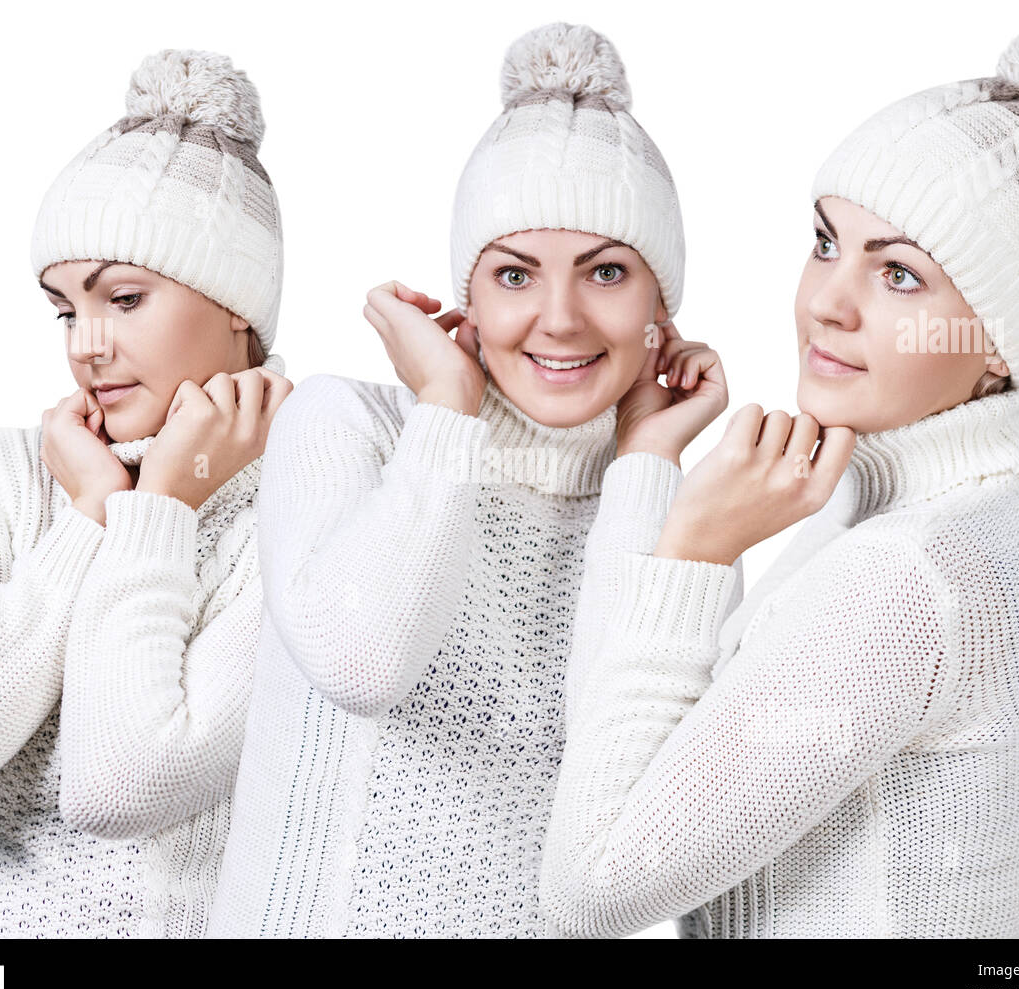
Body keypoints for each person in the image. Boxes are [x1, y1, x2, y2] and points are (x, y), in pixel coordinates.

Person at [539, 19, 1019, 938]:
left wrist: (694, 550)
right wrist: (657, 475)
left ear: (1001, 341)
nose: (825, 301)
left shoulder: (913, 574)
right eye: (826, 242)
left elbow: (590, 891)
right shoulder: (919, 505)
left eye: (899, 275)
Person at [207, 22, 726, 937]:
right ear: (470, 297)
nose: (558, 319)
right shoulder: (347, 426)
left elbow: (623, 784)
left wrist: (647, 459)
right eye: (516, 274)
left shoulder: (673, 510)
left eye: (606, 272)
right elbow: (362, 660)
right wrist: (446, 409)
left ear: (661, 311)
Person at [0, 48, 291, 938]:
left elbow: (127, 784)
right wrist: (90, 520)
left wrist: (162, 508)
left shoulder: (297, 503)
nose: (84, 346)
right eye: (65, 308)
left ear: (239, 309)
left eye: (125, 298)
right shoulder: (7, 474)